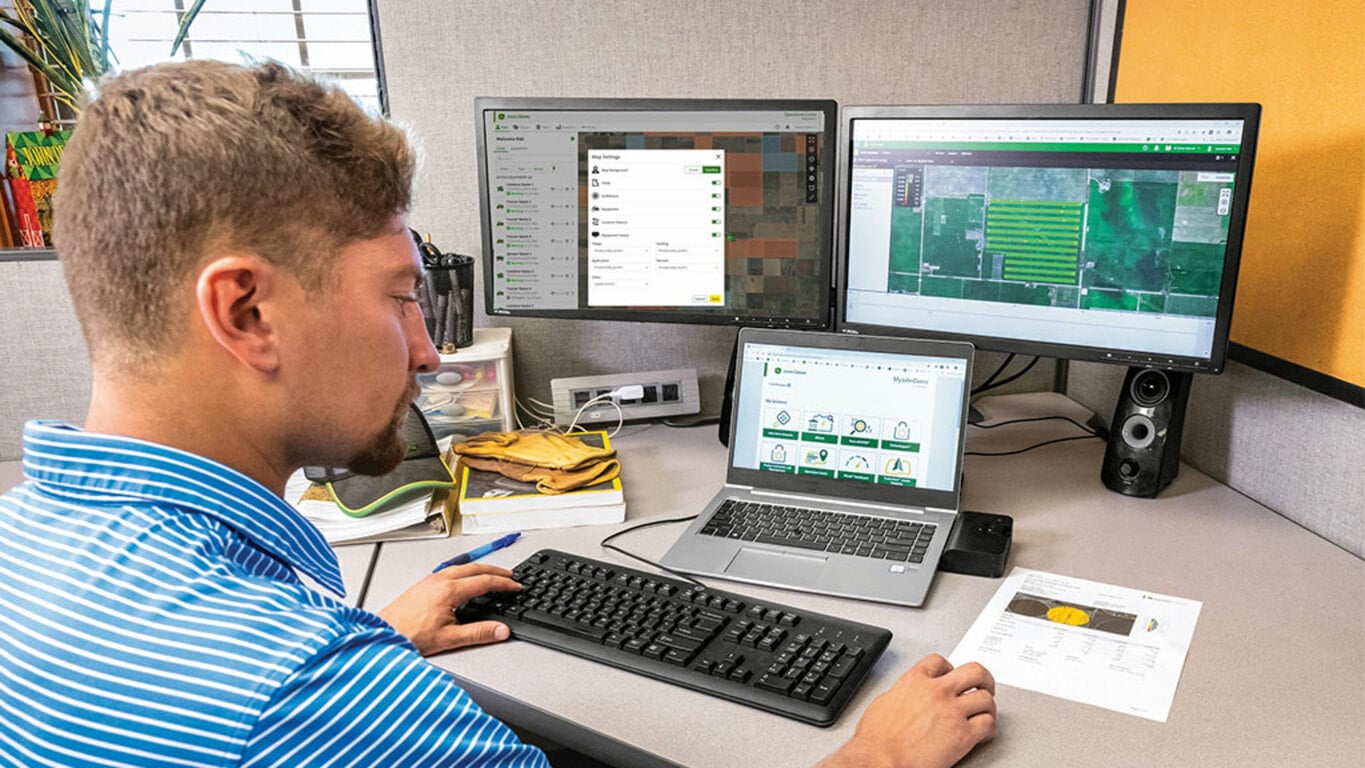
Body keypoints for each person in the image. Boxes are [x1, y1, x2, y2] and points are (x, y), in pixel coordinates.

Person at [0, 60, 995, 766]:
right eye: (399, 298)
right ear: (247, 312)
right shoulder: (301, 693)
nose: (430, 350)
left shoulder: (20, 543)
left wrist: (370, 638)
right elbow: (277, 703)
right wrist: (881, 761)